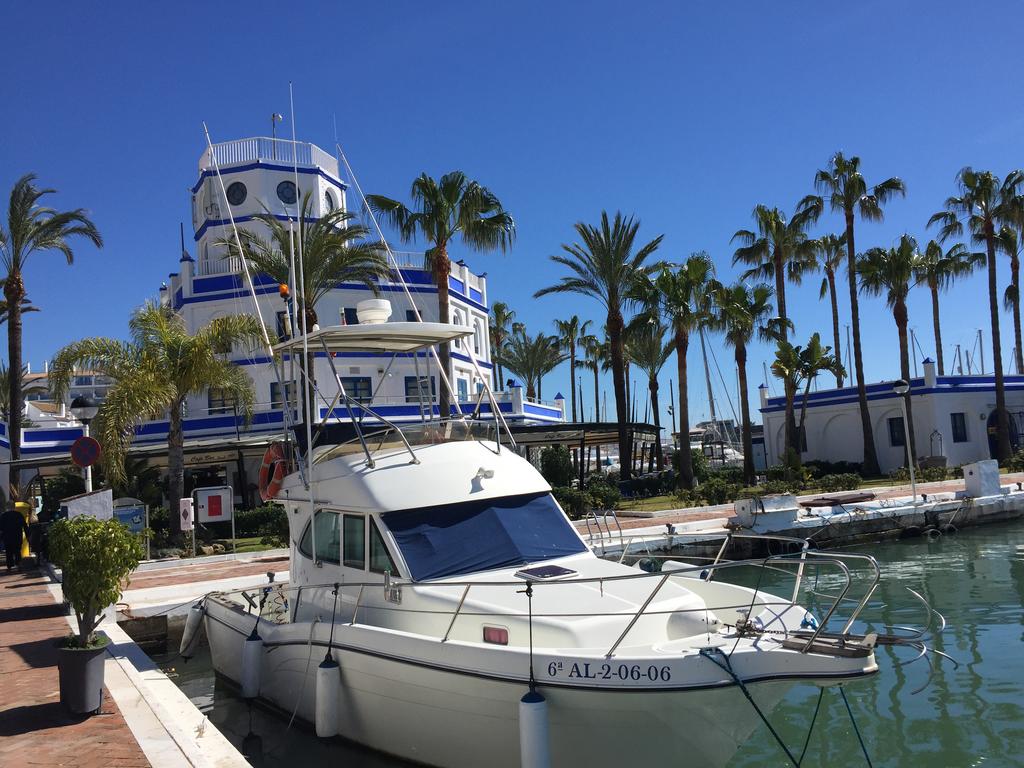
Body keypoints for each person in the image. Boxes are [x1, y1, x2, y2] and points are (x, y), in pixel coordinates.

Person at [1, 505, 30, 570]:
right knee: (17, 551)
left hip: (7, 537)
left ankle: (9, 565)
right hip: (17, 536)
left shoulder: (3, 516)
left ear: (7, 508)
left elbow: (1, 528)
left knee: (8, 552)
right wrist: (27, 535)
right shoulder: (18, 515)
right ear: (14, 507)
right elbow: (25, 526)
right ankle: (18, 564)